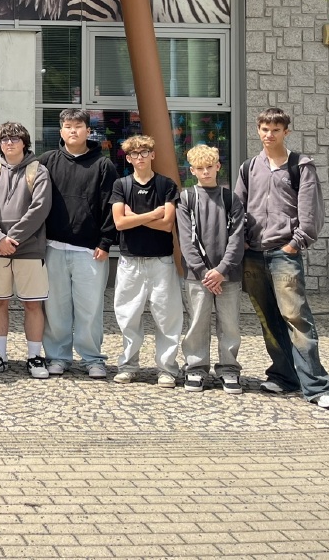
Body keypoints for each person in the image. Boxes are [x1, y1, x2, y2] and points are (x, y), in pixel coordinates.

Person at [236, 107, 329, 410]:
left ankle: (318, 387)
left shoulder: (301, 166)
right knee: (268, 319)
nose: (269, 135)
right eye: (264, 129)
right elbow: (239, 208)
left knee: (297, 319)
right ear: (258, 130)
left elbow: (311, 212)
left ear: (286, 132)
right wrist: (243, 240)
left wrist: (295, 244)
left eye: (275, 130)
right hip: (253, 254)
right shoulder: (249, 167)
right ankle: (283, 377)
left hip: (284, 254)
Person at [39, 108, 118, 378]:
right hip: (53, 247)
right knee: (55, 308)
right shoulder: (47, 161)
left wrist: (106, 242)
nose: (73, 131)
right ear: (61, 131)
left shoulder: (103, 165)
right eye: (68, 126)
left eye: (78, 126)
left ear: (88, 131)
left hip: (90, 250)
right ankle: (57, 356)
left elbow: (111, 205)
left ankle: (92, 358)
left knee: (90, 308)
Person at [110, 135, 182, 387]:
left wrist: (135, 217)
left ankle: (167, 369)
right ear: (128, 159)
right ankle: (128, 366)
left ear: (153, 155)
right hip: (130, 261)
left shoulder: (166, 185)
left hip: (162, 261)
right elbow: (120, 223)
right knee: (128, 317)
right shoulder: (121, 185)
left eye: (144, 152)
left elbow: (167, 224)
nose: (139, 157)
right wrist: (152, 214)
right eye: (134, 154)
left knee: (167, 318)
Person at [0, 122, 51, 377]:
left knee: (32, 304)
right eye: (4, 139)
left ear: (24, 143)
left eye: (15, 139)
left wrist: (13, 239)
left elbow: (40, 209)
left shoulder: (38, 171)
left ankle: (34, 357)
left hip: (29, 248)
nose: (9, 143)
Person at [178, 144, 245, 394]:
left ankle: (229, 369)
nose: (205, 172)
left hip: (229, 276)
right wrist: (204, 272)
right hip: (197, 276)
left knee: (230, 324)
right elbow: (186, 240)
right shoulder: (186, 198)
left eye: (209, 167)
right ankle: (195, 367)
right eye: (200, 168)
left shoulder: (231, 199)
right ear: (192, 171)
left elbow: (237, 238)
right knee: (197, 322)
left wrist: (221, 270)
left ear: (218, 167)